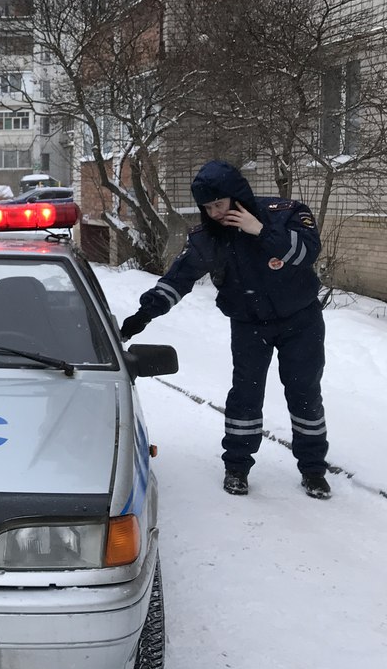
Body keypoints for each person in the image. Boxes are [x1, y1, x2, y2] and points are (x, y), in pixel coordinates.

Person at [120, 160, 332, 500]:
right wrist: (141, 317)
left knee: (304, 393)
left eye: (220, 204)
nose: (215, 213)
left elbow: (307, 253)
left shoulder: (286, 213)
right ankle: (237, 467)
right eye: (208, 207)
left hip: (300, 321)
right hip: (249, 324)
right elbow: (178, 280)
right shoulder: (209, 239)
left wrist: (259, 229)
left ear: (237, 196)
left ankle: (313, 470)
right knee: (245, 395)